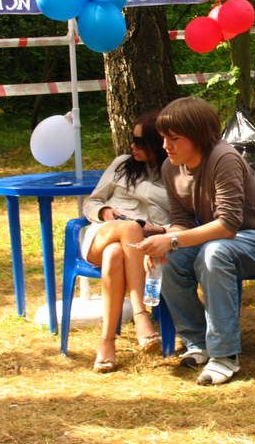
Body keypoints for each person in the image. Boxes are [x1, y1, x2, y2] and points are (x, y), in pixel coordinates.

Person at [137, 96, 255, 386]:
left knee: (213, 253)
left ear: (199, 137)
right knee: (170, 260)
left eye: (174, 139)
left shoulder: (224, 158)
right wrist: (163, 244)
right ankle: (197, 342)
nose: (166, 146)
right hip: (217, 239)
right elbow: (181, 221)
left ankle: (225, 354)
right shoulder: (170, 168)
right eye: (164, 138)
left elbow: (228, 225)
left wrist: (172, 239)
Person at [81, 111, 171, 373]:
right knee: (128, 229)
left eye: (141, 142)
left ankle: (106, 343)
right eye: (133, 139)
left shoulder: (175, 173)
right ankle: (141, 314)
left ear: (157, 144)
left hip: (143, 244)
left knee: (115, 255)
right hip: (102, 234)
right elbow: (92, 202)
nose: (133, 146)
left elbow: (184, 219)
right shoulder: (121, 165)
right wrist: (104, 212)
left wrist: (157, 229)